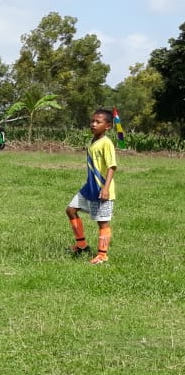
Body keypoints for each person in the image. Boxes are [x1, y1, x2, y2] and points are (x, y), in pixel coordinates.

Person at [66, 109, 118, 265]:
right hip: (89, 187)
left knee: (102, 222)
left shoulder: (106, 143)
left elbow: (112, 166)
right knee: (70, 210)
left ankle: (102, 255)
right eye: (92, 121)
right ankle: (82, 245)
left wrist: (106, 188)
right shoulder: (94, 140)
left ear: (108, 125)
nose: (93, 124)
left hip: (101, 187)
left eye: (98, 122)